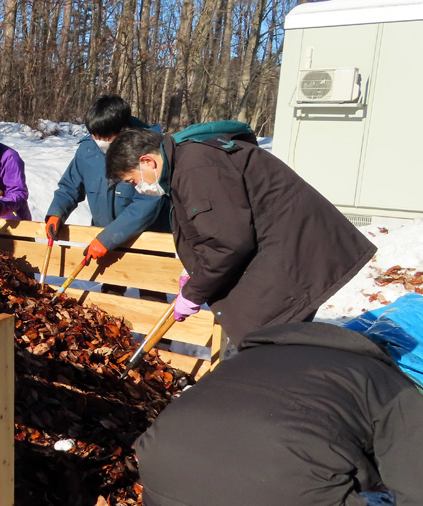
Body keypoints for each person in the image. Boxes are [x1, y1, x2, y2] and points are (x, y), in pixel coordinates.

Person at [105, 127, 376, 345]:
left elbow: (228, 243)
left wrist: (195, 291)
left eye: (132, 180)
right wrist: (196, 271)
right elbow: (212, 226)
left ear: (147, 161)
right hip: (280, 246)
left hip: (296, 252)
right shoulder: (183, 165)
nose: (138, 188)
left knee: (273, 341)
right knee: (275, 341)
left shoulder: (196, 168)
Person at [135, 322, 423, 506]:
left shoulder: (244, 359)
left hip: (161, 471)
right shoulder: (385, 379)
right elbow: (416, 485)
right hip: (284, 487)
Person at [44, 95, 170, 265]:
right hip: (103, 238)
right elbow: (69, 187)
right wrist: (56, 212)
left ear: (123, 130)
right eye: (95, 135)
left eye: (105, 137)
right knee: (109, 289)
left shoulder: (149, 151)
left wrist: (108, 238)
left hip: (147, 238)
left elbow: (146, 205)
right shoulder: (87, 150)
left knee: (151, 289)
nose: (99, 141)